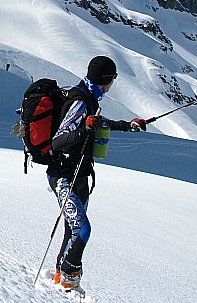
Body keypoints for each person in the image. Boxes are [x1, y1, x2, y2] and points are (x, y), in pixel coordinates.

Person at [47, 55, 147, 293]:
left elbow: (99, 122)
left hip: (79, 175)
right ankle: (69, 280)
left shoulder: (88, 97)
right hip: (64, 176)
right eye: (113, 79)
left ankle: (59, 278)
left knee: (72, 230)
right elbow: (58, 141)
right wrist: (84, 129)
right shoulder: (80, 102)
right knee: (82, 230)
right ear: (107, 79)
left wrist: (127, 125)